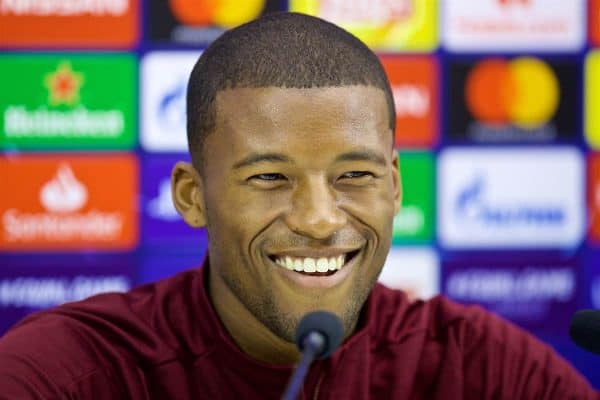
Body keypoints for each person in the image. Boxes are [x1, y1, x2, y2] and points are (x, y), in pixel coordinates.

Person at [0, 12, 597, 399]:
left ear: (395, 186)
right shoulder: (64, 373)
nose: (319, 220)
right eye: (268, 177)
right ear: (192, 196)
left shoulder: (488, 371)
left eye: (355, 175)